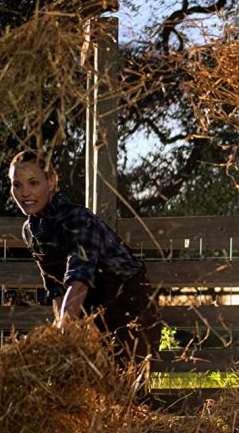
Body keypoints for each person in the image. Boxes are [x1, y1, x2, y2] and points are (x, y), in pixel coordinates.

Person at [9, 150, 162, 366]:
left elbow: (79, 281)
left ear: (51, 182)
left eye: (33, 183)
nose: (24, 192)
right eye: (17, 184)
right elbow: (56, 289)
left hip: (130, 309)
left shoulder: (77, 219)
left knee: (123, 388)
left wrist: (62, 334)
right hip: (92, 312)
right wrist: (64, 333)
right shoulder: (31, 231)